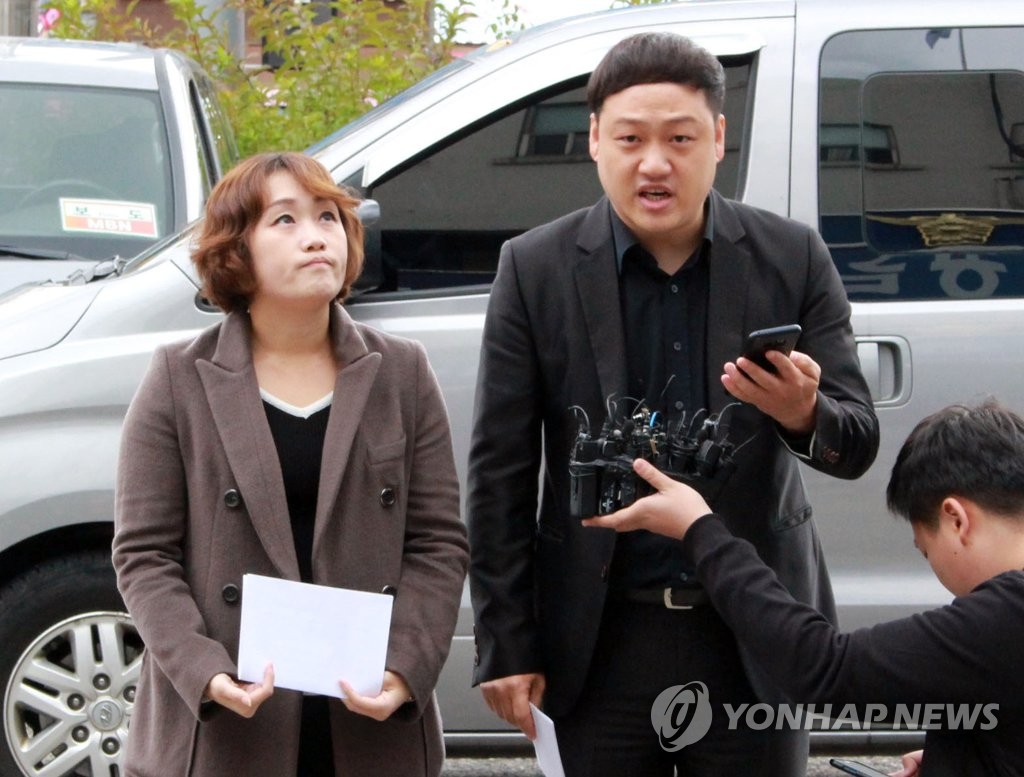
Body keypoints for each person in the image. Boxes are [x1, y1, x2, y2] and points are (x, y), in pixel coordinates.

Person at [466, 31, 879, 777]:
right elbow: (499, 473)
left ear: (718, 139)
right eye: (631, 138)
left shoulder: (791, 256)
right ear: (595, 139)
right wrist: (504, 641)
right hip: (598, 636)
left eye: (680, 139)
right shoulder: (534, 268)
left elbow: (857, 443)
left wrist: (802, 412)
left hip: (752, 629)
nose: (654, 163)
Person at [112, 152, 468, 777]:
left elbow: (437, 541)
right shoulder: (177, 377)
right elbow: (144, 554)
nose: (315, 235)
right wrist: (203, 669)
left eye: (328, 217)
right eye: (285, 219)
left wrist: (405, 667)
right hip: (229, 719)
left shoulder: (403, 371)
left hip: (365, 715)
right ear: (236, 248)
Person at [585, 400, 1024, 777]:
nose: (937, 572)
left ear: (955, 519)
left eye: (926, 551)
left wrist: (700, 530)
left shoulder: (1003, 618)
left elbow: (824, 667)